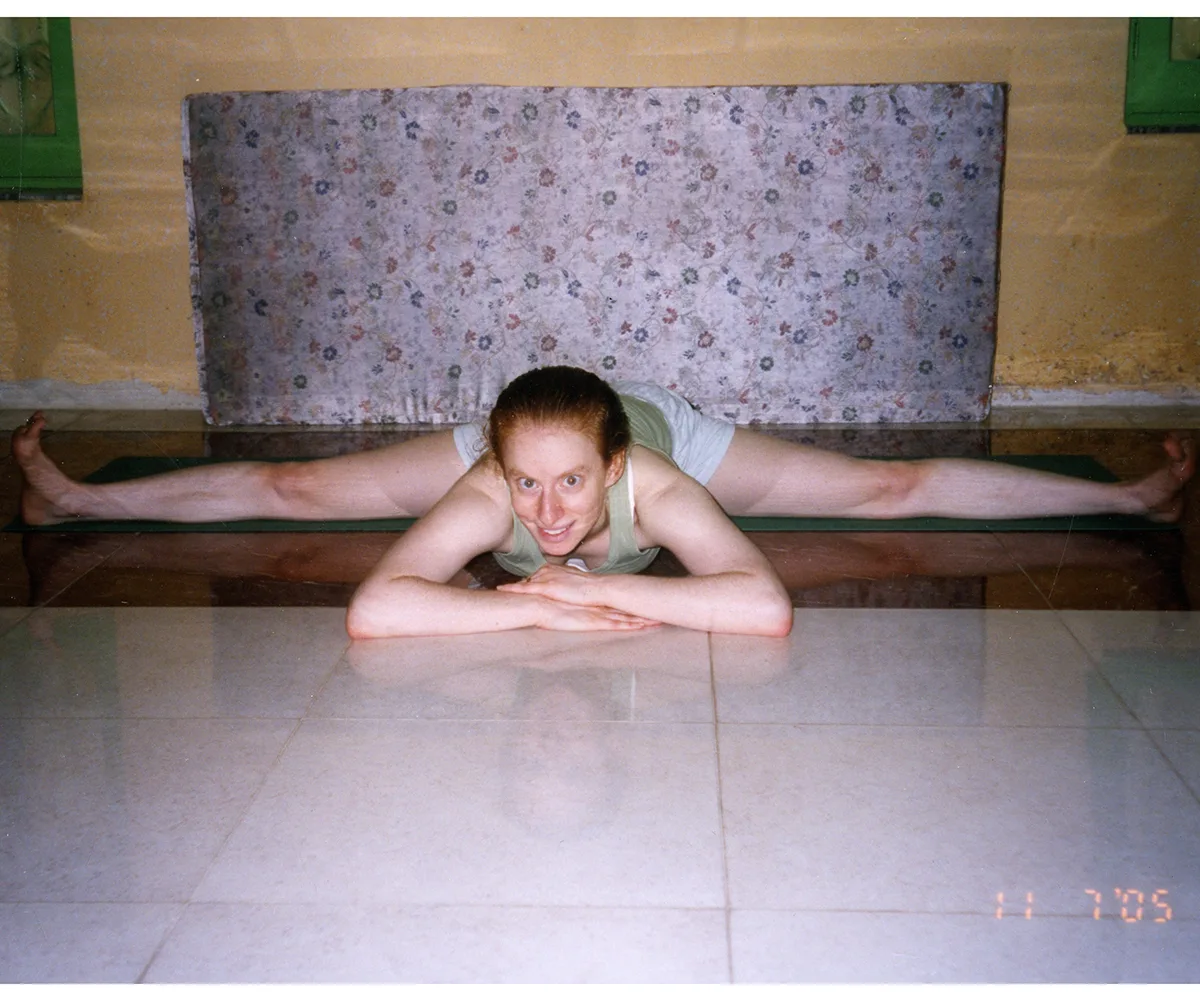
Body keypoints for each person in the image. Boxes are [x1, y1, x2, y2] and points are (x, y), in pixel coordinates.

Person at [10, 366, 1196, 638]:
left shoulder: (655, 472)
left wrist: (610, 600)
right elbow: (377, 609)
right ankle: (70, 500)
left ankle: (1140, 492)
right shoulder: (500, 486)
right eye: (528, 486)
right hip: (542, 415)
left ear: (614, 473)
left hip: (658, 417)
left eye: (571, 484)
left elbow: (763, 607)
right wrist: (533, 598)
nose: (551, 507)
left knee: (894, 486)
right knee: (294, 487)